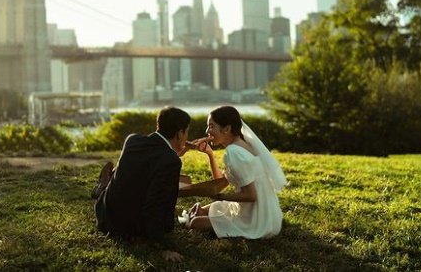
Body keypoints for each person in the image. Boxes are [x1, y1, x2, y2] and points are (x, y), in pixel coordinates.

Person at [91, 106, 191, 262]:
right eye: (186, 132)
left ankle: (104, 185)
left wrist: (174, 151)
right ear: (180, 133)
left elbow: (150, 161)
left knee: (123, 177)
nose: (187, 137)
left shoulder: (132, 140)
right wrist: (163, 246)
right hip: (128, 230)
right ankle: (104, 184)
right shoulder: (171, 161)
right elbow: (155, 205)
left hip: (105, 216)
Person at [185, 105, 288, 239]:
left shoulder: (234, 152)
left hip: (256, 220)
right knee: (202, 210)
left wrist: (219, 197)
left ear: (227, 129)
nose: (207, 131)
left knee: (194, 222)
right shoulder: (242, 144)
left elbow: (251, 195)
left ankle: (203, 218)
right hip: (269, 215)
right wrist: (210, 154)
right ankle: (204, 212)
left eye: (211, 126)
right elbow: (221, 182)